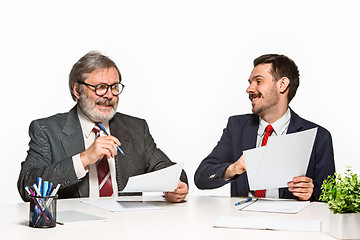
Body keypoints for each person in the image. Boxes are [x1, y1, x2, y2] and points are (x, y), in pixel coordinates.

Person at [18, 51, 188, 203]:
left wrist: (176, 186)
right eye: (100, 88)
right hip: (74, 231)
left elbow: (171, 171)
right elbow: (28, 186)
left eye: (114, 87)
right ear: (77, 90)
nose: (109, 95)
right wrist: (83, 159)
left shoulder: (136, 128)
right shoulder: (46, 130)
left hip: (127, 228)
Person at [194, 54, 335, 201]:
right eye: (250, 82)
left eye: (258, 81)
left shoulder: (319, 136)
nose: (249, 89)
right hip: (243, 219)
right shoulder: (236, 127)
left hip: (291, 222)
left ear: (282, 84)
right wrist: (234, 168)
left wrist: (309, 194)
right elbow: (201, 177)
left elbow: (329, 201)